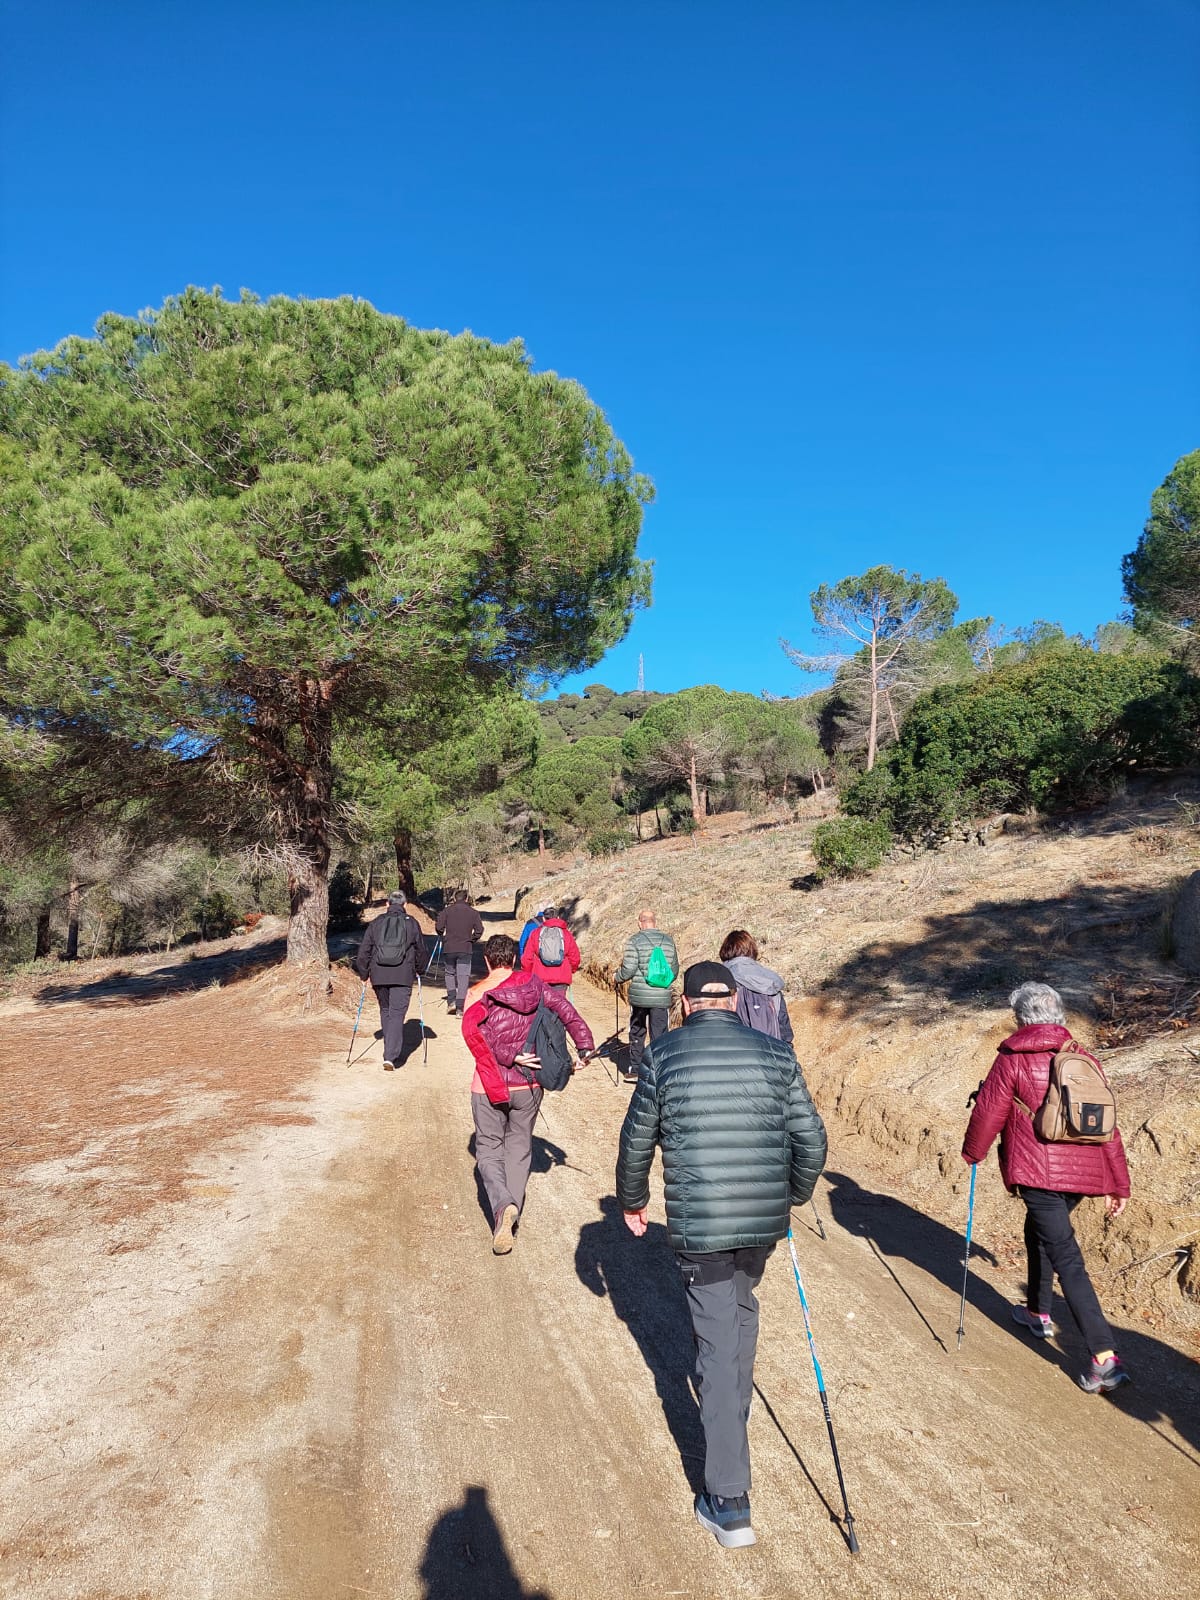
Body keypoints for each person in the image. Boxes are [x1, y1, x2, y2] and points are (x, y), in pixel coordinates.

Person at [616, 961, 827, 1549]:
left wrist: (632, 1201)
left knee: (716, 1344)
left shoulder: (664, 1056)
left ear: (685, 1003)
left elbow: (637, 1139)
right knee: (738, 1314)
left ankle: (729, 1500)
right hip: (759, 1225)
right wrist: (792, 1194)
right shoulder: (776, 1054)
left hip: (701, 1226)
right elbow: (812, 1140)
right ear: (732, 1000)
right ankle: (731, 1423)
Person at [962, 981, 1132, 1393]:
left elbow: (990, 1112)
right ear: (1058, 1016)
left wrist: (973, 1152)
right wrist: (1118, 1183)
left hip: (1038, 1172)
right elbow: (1107, 1126)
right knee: (1039, 1233)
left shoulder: (1013, 1057)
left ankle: (1103, 1358)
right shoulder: (1083, 1057)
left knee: (1066, 1256)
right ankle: (1038, 1312)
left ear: (1021, 1018)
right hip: (1081, 1173)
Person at [463, 934, 594, 1254]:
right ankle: (512, 1210)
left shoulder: (477, 993)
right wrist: (585, 1044)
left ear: (487, 961)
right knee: (520, 1148)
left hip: (488, 1085)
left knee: (489, 1148)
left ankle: (502, 1206)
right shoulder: (536, 986)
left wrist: (507, 1054)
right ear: (516, 959)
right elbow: (566, 1009)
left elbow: (474, 1038)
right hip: (529, 1084)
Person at [354, 890, 424, 1070]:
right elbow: (421, 950)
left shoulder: (376, 923)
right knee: (397, 1013)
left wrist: (364, 974)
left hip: (378, 975)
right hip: (402, 975)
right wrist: (419, 970)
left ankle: (389, 1045)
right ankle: (390, 1055)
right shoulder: (412, 923)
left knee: (386, 1010)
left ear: (387, 903)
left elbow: (364, 951)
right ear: (405, 904)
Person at [613, 908, 680, 1083]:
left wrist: (616, 977)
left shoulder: (634, 941)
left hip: (639, 996)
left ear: (639, 922)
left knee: (637, 1031)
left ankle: (636, 1070)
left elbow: (628, 969)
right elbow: (674, 969)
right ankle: (660, 1070)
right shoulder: (668, 941)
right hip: (661, 996)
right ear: (655, 922)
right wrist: (662, 982)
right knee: (660, 1034)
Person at [718, 929, 794, 1044]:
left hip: (735, 1055)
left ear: (725, 950)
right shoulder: (770, 982)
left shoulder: (719, 981)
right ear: (752, 951)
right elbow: (784, 1028)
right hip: (771, 1055)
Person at [435, 889, 484, 1016]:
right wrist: (471, 940)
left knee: (449, 973)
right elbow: (479, 930)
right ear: (467, 899)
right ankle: (460, 1007)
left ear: (454, 898)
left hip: (449, 948)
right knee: (463, 976)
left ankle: (451, 1001)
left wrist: (443, 935)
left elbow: (439, 927)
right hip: (465, 948)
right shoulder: (473, 913)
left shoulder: (446, 911)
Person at [520, 904, 580, 992]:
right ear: (558, 917)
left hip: (540, 980)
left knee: (541, 1005)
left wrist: (528, 974)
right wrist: (571, 970)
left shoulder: (535, 934)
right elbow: (575, 957)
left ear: (543, 918)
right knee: (558, 1005)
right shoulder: (566, 934)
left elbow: (527, 958)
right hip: (561, 980)